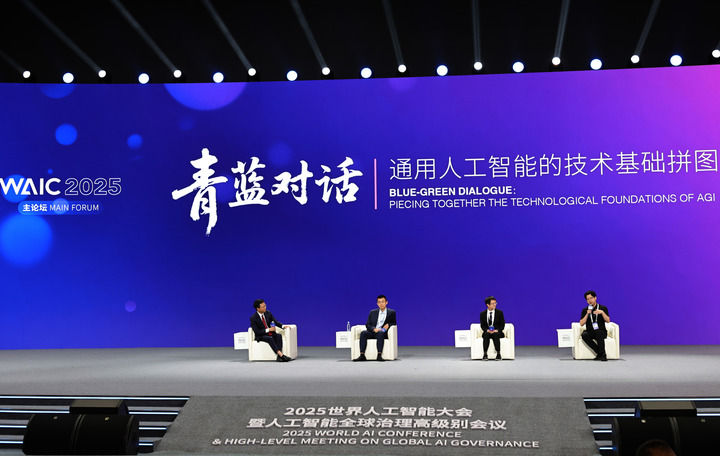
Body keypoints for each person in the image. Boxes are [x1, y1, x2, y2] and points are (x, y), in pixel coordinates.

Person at [353, 295, 396, 362]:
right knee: (363, 333)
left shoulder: (391, 312)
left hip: (382, 332)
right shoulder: (372, 312)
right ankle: (362, 355)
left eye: (382, 302)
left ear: (386, 302)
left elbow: (394, 323)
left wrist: (388, 325)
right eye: (379, 302)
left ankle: (379, 355)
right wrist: (373, 329)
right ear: (377, 303)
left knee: (380, 333)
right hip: (373, 331)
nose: (381, 304)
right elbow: (368, 324)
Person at [578, 290, 610, 361]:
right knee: (584, 335)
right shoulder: (585, 310)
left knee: (598, 332)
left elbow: (608, 320)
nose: (590, 300)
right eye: (587, 299)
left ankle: (603, 355)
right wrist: (587, 314)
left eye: (591, 298)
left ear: (595, 298)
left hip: (601, 331)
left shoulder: (603, 308)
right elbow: (581, 323)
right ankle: (600, 353)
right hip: (590, 331)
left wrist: (602, 313)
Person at [480, 296, 505, 360]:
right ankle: (485, 354)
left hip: (497, 332)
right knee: (486, 334)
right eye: (493, 303)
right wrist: (487, 330)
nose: (495, 305)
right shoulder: (482, 314)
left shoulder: (500, 313)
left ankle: (498, 354)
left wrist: (497, 330)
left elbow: (502, 325)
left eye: (495, 303)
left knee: (495, 334)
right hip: (488, 332)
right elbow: (482, 326)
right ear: (488, 305)